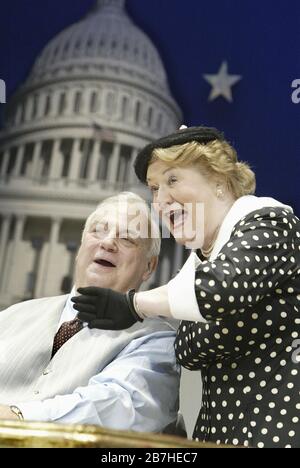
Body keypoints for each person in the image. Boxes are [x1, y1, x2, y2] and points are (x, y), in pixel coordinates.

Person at [73, 126, 300, 448]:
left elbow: (219, 291)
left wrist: (133, 305)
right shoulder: (195, 269)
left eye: (173, 180)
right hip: (216, 437)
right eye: (153, 188)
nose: (161, 199)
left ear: (219, 182)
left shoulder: (271, 222)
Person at [0, 192, 180, 433]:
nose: (107, 243)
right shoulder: (12, 316)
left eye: (127, 238)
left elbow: (119, 405)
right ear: (81, 245)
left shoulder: (157, 340)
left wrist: (19, 417)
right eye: (98, 231)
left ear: (149, 266)